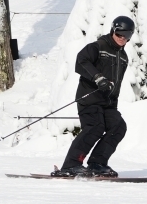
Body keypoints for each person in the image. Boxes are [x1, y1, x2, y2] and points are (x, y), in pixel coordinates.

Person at [53, 16, 134, 178]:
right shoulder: (98, 47)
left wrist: (113, 103)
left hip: (108, 103)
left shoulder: (123, 57)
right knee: (95, 127)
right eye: (119, 34)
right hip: (89, 99)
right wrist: (98, 77)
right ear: (113, 31)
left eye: (126, 36)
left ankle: (97, 163)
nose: (122, 38)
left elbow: (116, 84)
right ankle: (71, 164)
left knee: (118, 127)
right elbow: (81, 61)